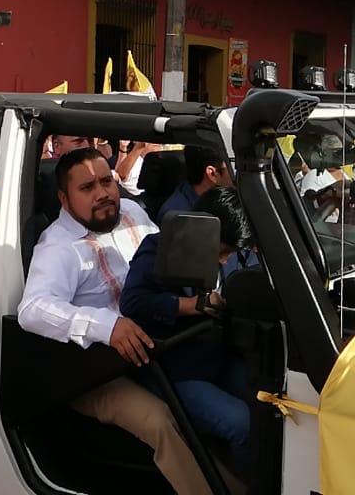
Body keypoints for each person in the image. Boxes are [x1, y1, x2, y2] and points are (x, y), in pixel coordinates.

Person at [18, 148, 210, 495]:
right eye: (87, 187)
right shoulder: (59, 247)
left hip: (158, 345)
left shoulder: (132, 212)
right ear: (64, 198)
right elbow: (33, 309)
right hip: (94, 370)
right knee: (160, 421)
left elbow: (167, 262)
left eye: (107, 181)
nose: (103, 193)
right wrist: (106, 326)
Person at [121, 186, 252, 466]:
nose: (226, 259)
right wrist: (190, 306)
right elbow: (132, 302)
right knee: (242, 423)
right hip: (175, 370)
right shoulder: (158, 247)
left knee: (271, 400)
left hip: (216, 356)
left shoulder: (232, 257)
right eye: (224, 250)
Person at [157, 145, 233, 222]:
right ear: (212, 174)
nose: (236, 172)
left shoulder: (221, 200)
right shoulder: (178, 217)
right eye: (231, 166)